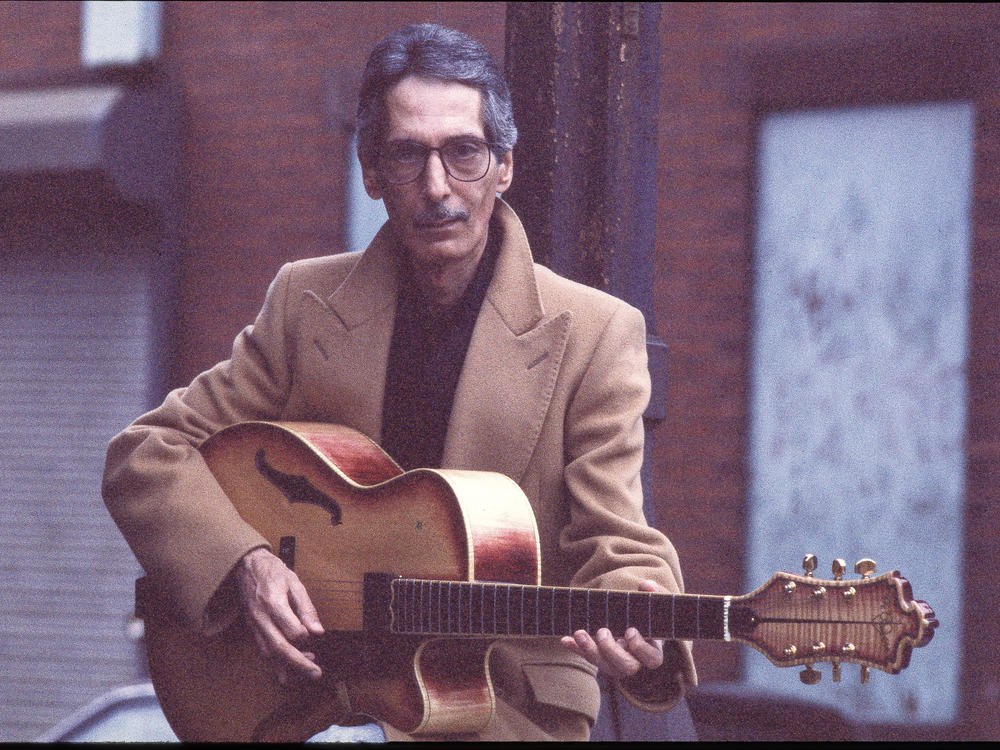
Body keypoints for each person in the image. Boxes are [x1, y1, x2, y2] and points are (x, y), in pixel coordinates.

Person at [102, 22, 697, 742]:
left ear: (504, 166)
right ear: (371, 171)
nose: (437, 187)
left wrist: (648, 634)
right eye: (408, 155)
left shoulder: (596, 333)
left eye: (464, 153)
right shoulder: (305, 304)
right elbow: (147, 453)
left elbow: (619, 541)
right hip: (312, 701)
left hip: (503, 714)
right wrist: (246, 564)